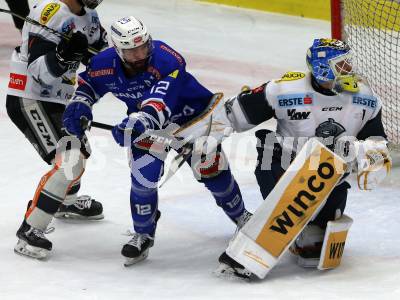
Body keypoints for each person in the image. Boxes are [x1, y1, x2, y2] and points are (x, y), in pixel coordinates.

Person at [184, 38, 391, 279]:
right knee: (269, 147)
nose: (348, 69)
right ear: (323, 68)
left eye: (347, 63)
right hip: (283, 165)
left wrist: (374, 157)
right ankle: (265, 233)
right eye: (341, 64)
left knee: (313, 248)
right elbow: (234, 114)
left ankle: (305, 225)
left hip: (327, 173)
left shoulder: (365, 97)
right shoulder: (284, 89)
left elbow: (376, 139)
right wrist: (204, 135)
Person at [62, 16, 251, 265]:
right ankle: (143, 233)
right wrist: (80, 104)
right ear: (118, 51)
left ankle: (243, 219)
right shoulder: (104, 63)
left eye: (144, 46)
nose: (140, 54)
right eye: (132, 51)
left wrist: (137, 123)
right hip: (145, 123)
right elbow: (89, 84)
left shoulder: (166, 59)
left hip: (191, 119)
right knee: (143, 177)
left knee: (210, 167)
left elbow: (159, 101)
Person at [6, 0, 108, 259]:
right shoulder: (48, 12)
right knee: (70, 160)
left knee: (79, 149)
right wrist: (63, 55)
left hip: (60, 99)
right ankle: (30, 231)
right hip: (29, 97)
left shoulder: (91, 18)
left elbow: (104, 60)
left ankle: (65, 201)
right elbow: (39, 72)